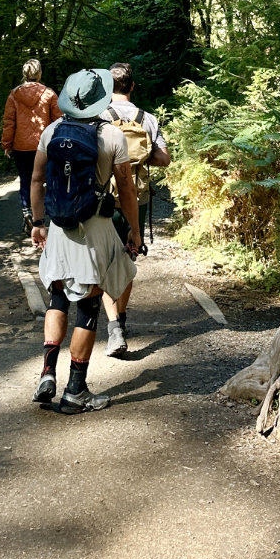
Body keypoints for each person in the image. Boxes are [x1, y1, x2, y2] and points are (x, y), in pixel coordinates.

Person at [29, 67, 141, 413]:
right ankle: (75, 390)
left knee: (58, 297)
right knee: (89, 306)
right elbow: (125, 189)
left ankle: (48, 372)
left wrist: (37, 223)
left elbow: (36, 180)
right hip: (95, 226)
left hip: (60, 227)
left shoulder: (52, 130)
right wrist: (134, 233)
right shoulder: (112, 136)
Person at [101, 60, 170, 358]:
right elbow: (164, 158)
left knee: (105, 263)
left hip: (104, 198)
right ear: (132, 86)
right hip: (138, 197)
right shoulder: (148, 118)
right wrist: (140, 161)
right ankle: (122, 317)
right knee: (128, 257)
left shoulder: (99, 116)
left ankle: (113, 326)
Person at [1, 59, 61, 234]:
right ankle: (51, 216)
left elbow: (9, 122)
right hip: (46, 146)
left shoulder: (14, 95)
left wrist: (7, 144)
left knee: (26, 180)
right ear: (39, 74)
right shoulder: (49, 94)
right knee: (49, 179)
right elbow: (59, 121)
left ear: (24, 74)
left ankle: (29, 216)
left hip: (21, 147)